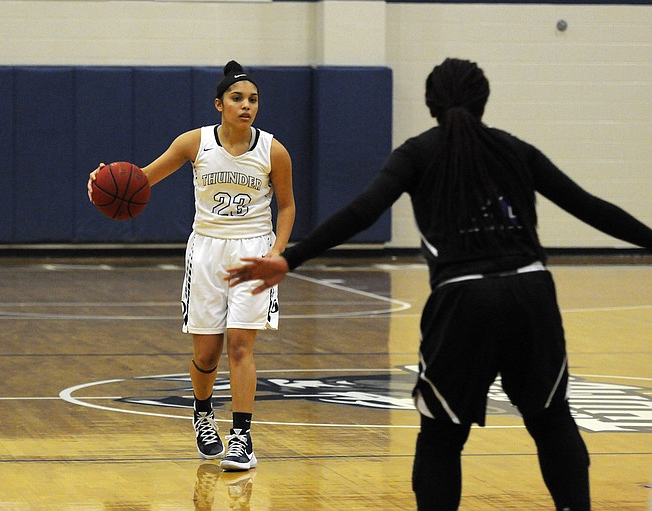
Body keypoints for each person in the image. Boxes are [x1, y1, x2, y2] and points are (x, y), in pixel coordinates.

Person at [225, 57, 652, 510]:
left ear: (431, 104)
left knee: (442, 436)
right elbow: (590, 206)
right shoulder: (514, 148)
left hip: (463, 300)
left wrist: (291, 258)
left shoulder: (417, 153)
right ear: (483, 100)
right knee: (552, 422)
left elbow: (363, 212)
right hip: (531, 292)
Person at [88, 60, 296, 471]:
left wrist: (278, 252)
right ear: (219, 104)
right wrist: (103, 180)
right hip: (206, 252)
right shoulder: (194, 143)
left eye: (253, 99)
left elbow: (287, 206)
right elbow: (140, 180)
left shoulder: (274, 150)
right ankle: (202, 412)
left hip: (254, 250)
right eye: (237, 98)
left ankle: (242, 437)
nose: (246, 105)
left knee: (240, 345)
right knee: (207, 353)